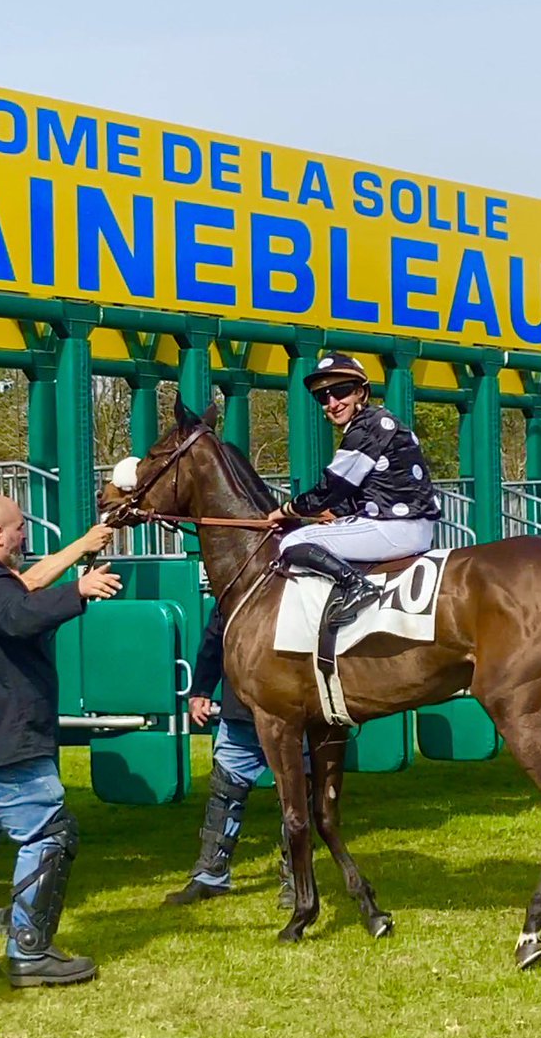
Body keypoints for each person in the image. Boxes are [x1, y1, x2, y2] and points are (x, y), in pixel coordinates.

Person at [0, 494, 121, 987]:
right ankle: (31, 951)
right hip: (3, 744)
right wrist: (79, 591)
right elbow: (19, 612)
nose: (24, 538)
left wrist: (77, 559)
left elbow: (20, 594)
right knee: (50, 832)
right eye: (19, 530)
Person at [267, 352, 441, 626]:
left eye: (341, 391)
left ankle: (355, 586)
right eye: (323, 397)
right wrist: (334, 513)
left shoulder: (367, 428)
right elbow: (366, 489)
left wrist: (285, 510)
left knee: (293, 542)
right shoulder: (379, 420)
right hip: (408, 525)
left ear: (360, 391)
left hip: (394, 527)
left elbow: (330, 489)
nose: (332, 403)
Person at [163, 606, 303, 909]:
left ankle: (298, 879)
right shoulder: (240, 591)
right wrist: (201, 689)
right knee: (225, 791)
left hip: (294, 712)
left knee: (296, 795)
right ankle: (211, 875)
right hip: (241, 711)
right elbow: (218, 632)